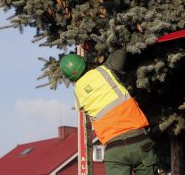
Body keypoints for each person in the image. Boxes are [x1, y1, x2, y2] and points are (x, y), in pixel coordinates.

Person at [60, 47, 158, 175]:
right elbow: (120, 49)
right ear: (84, 62)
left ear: (70, 78)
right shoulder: (106, 70)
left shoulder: (78, 92)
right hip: (139, 141)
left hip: (114, 150)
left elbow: (83, 106)